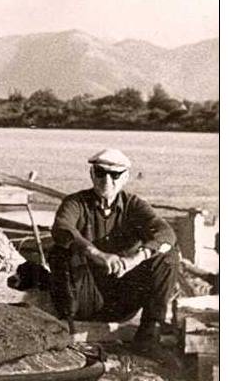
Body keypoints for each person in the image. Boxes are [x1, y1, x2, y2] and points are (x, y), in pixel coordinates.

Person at [48, 148, 179, 353]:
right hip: (83, 297)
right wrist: (96, 254)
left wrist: (135, 259)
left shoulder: (134, 205)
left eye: (115, 175)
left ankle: (149, 334)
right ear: (92, 174)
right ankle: (70, 330)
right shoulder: (75, 203)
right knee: (61, 250)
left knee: (167, 256)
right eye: (100, 173)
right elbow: (62, 228)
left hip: (122, 296)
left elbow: (165, 233)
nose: (107, 181)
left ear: (125, 177)